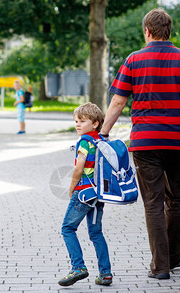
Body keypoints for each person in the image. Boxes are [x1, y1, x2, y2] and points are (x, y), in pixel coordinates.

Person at [99, 8, 180, 280]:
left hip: (146, 143)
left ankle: (160, 267)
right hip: (179, 142)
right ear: (168, 30)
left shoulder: (134, 60)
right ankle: (174, 258)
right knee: (176, 199)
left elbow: (118, 101)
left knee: (153, 202)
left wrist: (102, 133)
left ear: (147, 31)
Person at [59, 102, 113, 287]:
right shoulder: (101, 140)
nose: (78, 125)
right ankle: (105, 274)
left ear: (95, 123)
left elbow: (79, 167)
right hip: (99, 194)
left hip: (83, 193)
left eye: (82, 121)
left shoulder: (84, 141)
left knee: (67, 228)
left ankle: (78, 267)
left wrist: (72, 187)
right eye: (76, 121)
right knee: (96, 233)